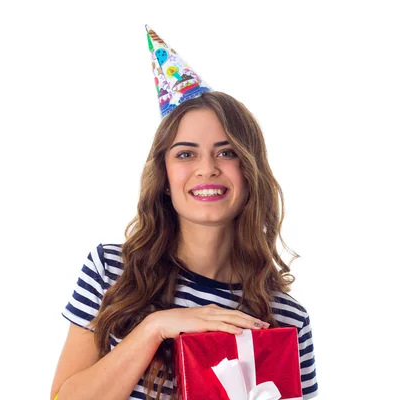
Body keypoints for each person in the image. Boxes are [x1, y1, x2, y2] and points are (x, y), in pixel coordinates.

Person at [50, 26, 319, 400]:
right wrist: (154, 328)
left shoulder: (286, 318)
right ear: (164, 176)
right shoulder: (111, 272)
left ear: (250, 172)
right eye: (185, 154)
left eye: (227, 153)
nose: (206, 168)